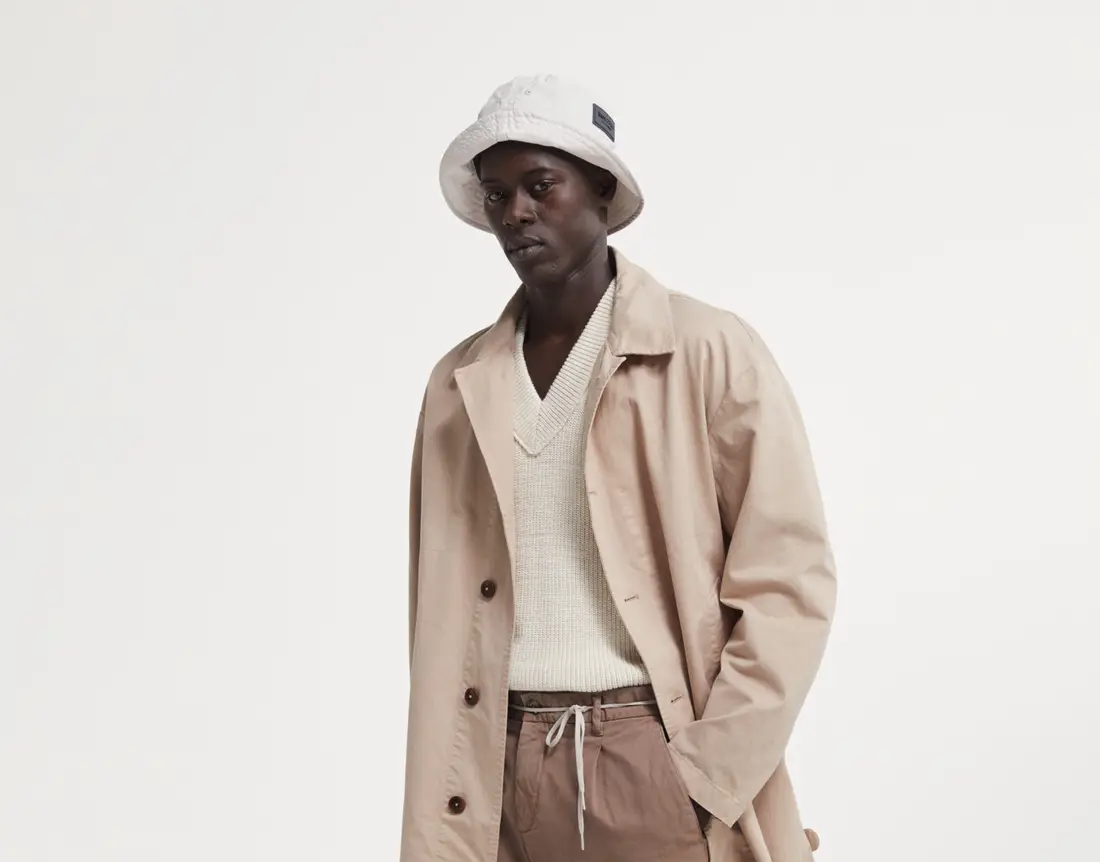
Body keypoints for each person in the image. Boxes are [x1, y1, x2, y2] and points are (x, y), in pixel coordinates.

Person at [401, 73, 836, 862]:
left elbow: (788, 581)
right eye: (497, 195)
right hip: (498, 762)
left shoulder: (706, 350)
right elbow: (439, 606)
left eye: (541, 185)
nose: (516, 212)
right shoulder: (457, 386)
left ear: (602, 189)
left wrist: (701, 775)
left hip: (652, 751)